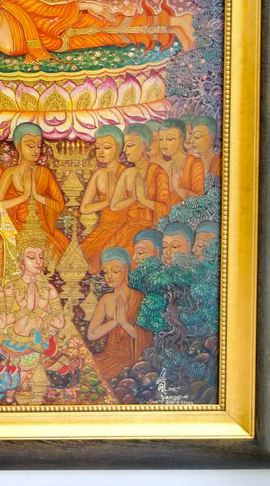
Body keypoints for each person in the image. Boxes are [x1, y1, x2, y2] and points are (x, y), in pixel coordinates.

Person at [0, 0, 193, 72]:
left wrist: (87, 5)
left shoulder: (13, 4)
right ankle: (172, 30)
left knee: (119, 23)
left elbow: (49, 10)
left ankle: (177, 22)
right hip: (66, 44)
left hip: (67, 23)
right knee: (116, 36)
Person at [81, 122, 171, 262]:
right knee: (101, 257)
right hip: (127, 226)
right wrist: (132, 199)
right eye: (125, 146)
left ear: (143, 146)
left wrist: (143, 200)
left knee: (123, 259)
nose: (125, 151)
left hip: (148, 228)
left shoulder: (157, 172)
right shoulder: (128, 173)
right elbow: (114, 205)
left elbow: (165, 209)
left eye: (130, 146)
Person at [0, 123, 69, 262]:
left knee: (60, 254)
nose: (35, 150)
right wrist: (24, 196)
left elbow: (59, 205)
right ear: (19, 146)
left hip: (41, 229)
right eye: (30, 146)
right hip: (15, 228)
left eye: (39, 146)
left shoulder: (44, 173)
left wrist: (37, 197)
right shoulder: (10, 173)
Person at [88, 248, 151, 381]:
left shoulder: (140, 298)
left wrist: (124, 323)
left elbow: (147, 340)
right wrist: (115, 322)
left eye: (115, 271)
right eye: (105, 272)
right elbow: (91, 334)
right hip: (108, 356)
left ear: (126, 270)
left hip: (129, 361)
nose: (109, 277)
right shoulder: (106, 300)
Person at [79, 125, 126, 250]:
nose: (100, 152)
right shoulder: (99, 174)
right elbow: (84, 208)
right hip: (104, 226)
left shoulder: (126, 173)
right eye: (97, 147)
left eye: (106, 147)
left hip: (123, 228)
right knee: (84, 253)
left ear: (118, 148)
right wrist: (107, 202)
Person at [155, 118, 204, 202]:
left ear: (181, 140)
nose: (163, 144)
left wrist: (178, 189)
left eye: (169, 139)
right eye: (160, 139)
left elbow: (201, 203)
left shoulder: (194, 163)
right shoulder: (161, 167)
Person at [187, 115, 222, 183]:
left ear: (211, 139)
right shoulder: (192, 164)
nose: (191, 141)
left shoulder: (219, 164)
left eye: (197, 137)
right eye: (192, 136)